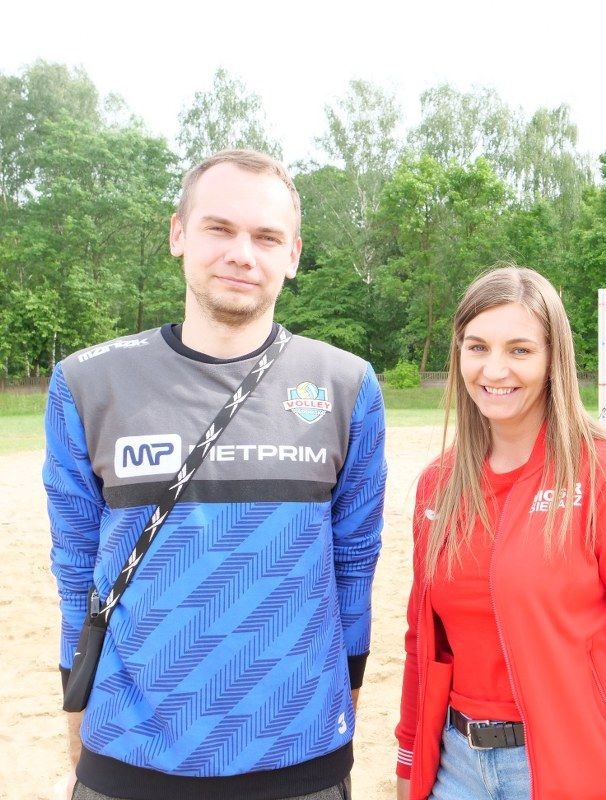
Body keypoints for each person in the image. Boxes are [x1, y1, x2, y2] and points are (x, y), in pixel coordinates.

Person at [44, 149, 386, 800]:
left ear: (293, 255)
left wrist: (343, 713)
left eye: (266, 237)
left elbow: (354, 567)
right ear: (178, 233)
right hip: (129, 758)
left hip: (300, 760)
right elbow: (75, 568)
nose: (241, 254)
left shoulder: (347, 386)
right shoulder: (86, 383)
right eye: (219, 228)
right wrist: (76, 720)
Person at [394, 265, 606, 800]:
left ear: (554, 359)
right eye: (477, 347)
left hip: (571, 764)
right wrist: (409, 758)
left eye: (520, 350)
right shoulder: (439, 484)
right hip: (455, 767)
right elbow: (422, 644)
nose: (495, 369)